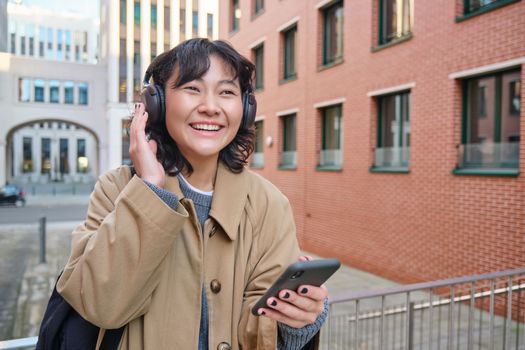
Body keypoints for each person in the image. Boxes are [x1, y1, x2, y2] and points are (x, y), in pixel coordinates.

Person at [57, 38, 329, 350]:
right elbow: (100, 305)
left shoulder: (268, 204)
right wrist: (149, 191)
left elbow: (260, 331)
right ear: (156, 103)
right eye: (192, 89)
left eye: (227, 92)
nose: (211, 107)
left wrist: (298, 319)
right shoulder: (116, 189)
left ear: (246, 108)